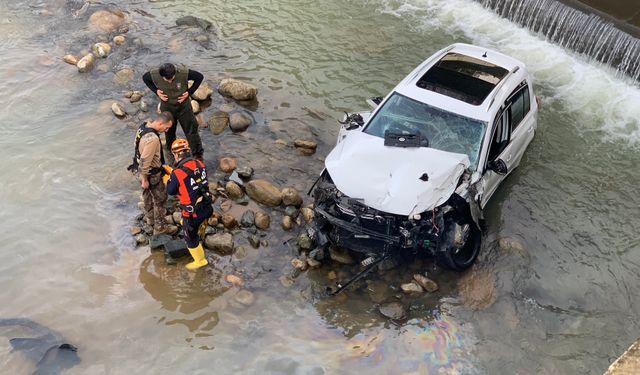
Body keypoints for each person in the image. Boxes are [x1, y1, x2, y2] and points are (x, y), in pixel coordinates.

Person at [165, 138, 213, 270]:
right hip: (207, 207)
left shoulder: (177, 173)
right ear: (188, 151)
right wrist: (174, 174)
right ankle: (201, 232)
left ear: (175, 155)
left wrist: (170, 178)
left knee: (190, 237)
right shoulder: (199, 163)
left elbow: (170, 191)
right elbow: (192, 179)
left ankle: (200, 260)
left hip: (192, 214)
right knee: (196, 222)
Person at [142, 63, 205, 161]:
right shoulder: (154, 75)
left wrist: (189, 92)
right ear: (162, 76)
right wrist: (156, 91)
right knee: (169, 132)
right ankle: (172, 154)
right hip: (167, 108)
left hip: (184, 107)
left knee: (191, 130)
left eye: (172, 78)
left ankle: (197, 154)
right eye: (168, 79)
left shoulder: (183, 73)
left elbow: (199, 77)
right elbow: (145, 78)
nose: (171, 80)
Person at [129, 112, 178, 235]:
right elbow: (145, 162)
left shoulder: (143, 126)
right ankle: (160, 227)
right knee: (160, 199)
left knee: (147, 194)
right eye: (166, 127)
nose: (166, 130)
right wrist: (144, 179)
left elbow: (137, 148)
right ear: (160, 123)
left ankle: (150, 218)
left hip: (138, 167)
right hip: (150, 173)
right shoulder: (153, 139)